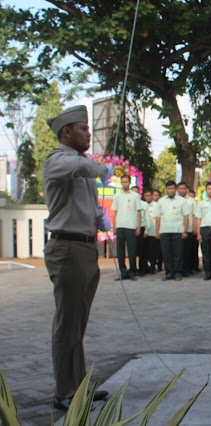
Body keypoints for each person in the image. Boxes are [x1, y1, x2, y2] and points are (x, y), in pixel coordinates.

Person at [43, 105, 112, 410]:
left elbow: (90, 200)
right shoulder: (58, 160)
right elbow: (81, 169)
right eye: (83, 128)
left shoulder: (79, 163)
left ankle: (78, 385)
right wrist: (102, 170)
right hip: (67, 249)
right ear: (66, 132)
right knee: (67, 323)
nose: (88, 133)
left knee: (78, 323)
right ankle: (64, 391)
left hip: (84, 247)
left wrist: (100, 218)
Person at [155, 181, 189, 281]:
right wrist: (157, 231)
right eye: (169, 189)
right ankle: (169, 272)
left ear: (176, 189)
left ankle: (177, 272)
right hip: (164, 230)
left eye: (172, 188)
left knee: (178, 253)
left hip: (178, 230)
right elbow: (158, 217)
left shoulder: (182, 201)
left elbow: (186, 216)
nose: (171, 190)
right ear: (166, 189)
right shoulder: (161, 201)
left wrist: (185, 231)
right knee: (166, 253)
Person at [112, 175, 141, 280]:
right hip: (120, 225)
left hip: (131, 226)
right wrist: (114, 226)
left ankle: (132, 272)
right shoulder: (117, 196)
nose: (124, 184)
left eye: (126, 182)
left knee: (132, 250)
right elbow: (114, 212)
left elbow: (138, 211)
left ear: (130, 182)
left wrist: (138, 227)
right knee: (120, 251)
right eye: (122, 182)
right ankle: (123, 272)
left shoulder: (135, 196)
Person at [177, 182, 197, 276]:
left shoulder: (191, 201)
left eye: (184, 188)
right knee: (177, 251)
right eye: (180, 189)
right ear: (177, 189)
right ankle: (178, 269)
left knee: (187, 251)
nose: (182, 190)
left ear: (187, 190)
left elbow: (195, 215)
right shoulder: (174, 200)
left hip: (188, 229)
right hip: (176, 229)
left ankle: (187, 269)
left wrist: (195, 228)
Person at [131, 185, 148, 276]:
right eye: (133, 192)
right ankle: (133, 269)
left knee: (142, 250)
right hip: (131, 228)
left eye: (136, 192)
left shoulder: (144, 204)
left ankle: (142, 269)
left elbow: (147, 218)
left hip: (141, 227)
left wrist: (146, 230)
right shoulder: (128, 204)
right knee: (132, 250)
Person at [142, 189, 158, 274]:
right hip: (144, 231)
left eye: (149, 195)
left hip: (153, 231)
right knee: (144, 251)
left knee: (153, 251)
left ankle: (152, 267)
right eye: (146, 196)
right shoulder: (142, 205)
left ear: (152, 195)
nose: (147, 197)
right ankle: (145, 267)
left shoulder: (157, 205)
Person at [152, 189, 163, 272]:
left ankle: (159, 265)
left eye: (157, 195)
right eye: (154, 195)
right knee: (153, 250)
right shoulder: (148, 205)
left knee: (160, 250)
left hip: (160, 230)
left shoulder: (161, 204)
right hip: (150, 230)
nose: (155, 196)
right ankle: (152, 265)